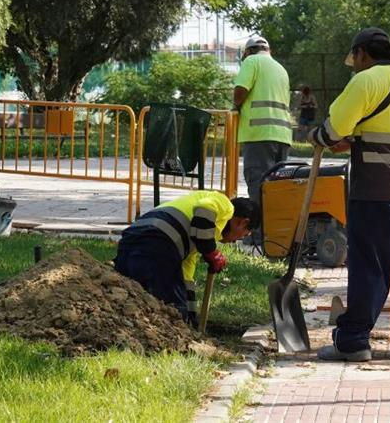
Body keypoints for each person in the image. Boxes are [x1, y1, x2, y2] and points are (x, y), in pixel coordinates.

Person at [310, 27, 390, 362]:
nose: (354, 66)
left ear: (363, 53)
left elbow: (334, 128)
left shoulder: (365, 81)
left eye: (355, 59)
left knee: (370, 265)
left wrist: (318, 136)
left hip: (379, 191)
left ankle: (353, 341)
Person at [114, 190, 253, 325]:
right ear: (243, 223)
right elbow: (205, 208)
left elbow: (185, 280)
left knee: (130, 300)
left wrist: (191, 317)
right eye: (244, 234)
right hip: (157, 242)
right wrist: (211, 251)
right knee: (172, 312)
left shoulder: (189, 241)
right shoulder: (225, 204)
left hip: (130, 240)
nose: (237, 240)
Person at [233, 35, 292, 244]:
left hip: (259, 134)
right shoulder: (281, 69)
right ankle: (277, 234)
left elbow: (240, 91)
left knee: (258, 184)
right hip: (283, 135)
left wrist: (236, 106)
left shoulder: (251, 62)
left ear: (248, 51)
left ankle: (257, 235)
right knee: (277, 187)